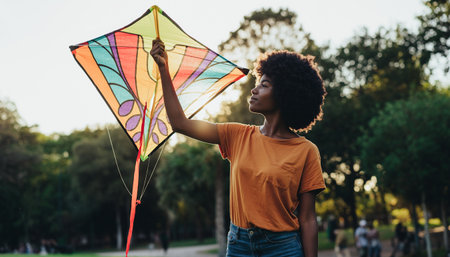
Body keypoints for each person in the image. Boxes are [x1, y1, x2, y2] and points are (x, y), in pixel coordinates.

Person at [151, 39, 327, 257]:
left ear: (285, 94)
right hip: (239, 244)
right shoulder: (237, 135)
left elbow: (308, 218)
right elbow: (180, 123)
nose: (254, 90)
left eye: (264, 85)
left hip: (284, 247)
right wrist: (163, 69)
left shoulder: (306, 151)